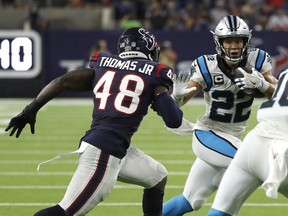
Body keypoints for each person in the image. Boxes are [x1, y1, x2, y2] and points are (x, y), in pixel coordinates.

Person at [5, 27, 183, 216]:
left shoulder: (105, 63)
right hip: (104, 154)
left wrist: (30, 110)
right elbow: (174, 121)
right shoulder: (155, 73)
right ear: (150, 50)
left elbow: (63, 81)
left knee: (157, 177)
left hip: (108, 146)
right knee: (64, 212)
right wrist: (162, 94)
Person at [163, 15, 277, 216]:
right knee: (252, 163)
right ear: (219, 42)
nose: (234, 46)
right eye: (229, 41)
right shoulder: (207, 66)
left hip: (231, 137)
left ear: (246, 42)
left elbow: (279, 94)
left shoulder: (257, 60)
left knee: (191, 200)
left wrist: (262, 84)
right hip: (208, 134)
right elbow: (177, 106)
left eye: (238, 41)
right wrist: (178, 98)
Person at [208, 69, 288, 216]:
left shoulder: (285, 73)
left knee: (219, 212)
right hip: (282, 150)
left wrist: (263, 85)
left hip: (253, 143)